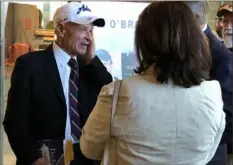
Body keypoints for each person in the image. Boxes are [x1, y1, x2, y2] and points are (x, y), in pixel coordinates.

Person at [79, 2, 225, 165]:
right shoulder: (213, 93)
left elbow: (89, 148)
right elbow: (210, 151)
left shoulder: (119, 93)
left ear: (145, 41)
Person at [3, 2, 112, 165]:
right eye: (83, 29)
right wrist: (32, 158)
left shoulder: (89, 68)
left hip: (84, 157)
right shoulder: (30, 65)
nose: (89, 37)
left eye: (91, 31)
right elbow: (14, 121)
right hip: (44, 158)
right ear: (61, 30)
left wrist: (91, 59)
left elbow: (109, 90)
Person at [185, 1, 232, 165]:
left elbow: (228, 116)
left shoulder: (221, 57)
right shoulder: (186, 45)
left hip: (209, 153)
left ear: (193, 18)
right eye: (225, 21)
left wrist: (201, 142)